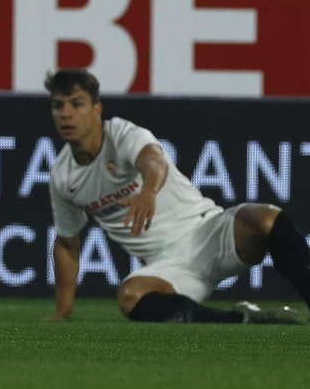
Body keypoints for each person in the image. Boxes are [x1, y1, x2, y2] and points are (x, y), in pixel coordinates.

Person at [45, 68, 310, 325]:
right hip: (168, 267)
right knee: (129, 296)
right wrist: (63, 310)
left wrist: (148, 192)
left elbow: (154, 161)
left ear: (96, 109)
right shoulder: (63, 177)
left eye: (76, 104)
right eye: (58, 106)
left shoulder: (122, 134)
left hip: (207, 232)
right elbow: (68, 245)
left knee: (265, 218)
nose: (66, 114)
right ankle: (242, 318)